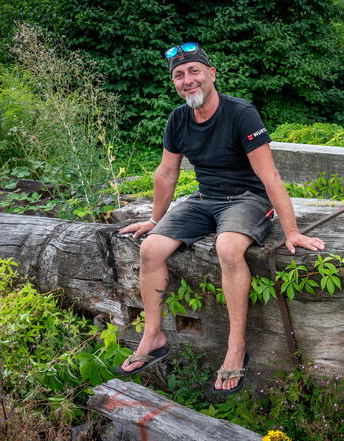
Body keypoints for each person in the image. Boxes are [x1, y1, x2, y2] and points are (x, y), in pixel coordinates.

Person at [113, 42, 325, 394]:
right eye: (179, 75)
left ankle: (236, 346)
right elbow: (166, 174)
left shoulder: (242, 114)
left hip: (248, 199)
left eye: (194, 71)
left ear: (211, 74)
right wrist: (156, 219)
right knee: (151, 248)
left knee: (228, 247)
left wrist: (291, 230)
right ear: (174, 83)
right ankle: (153, 335)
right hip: (204, 199)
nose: (187, 80)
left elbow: (270, 176)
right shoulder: (178, 119)